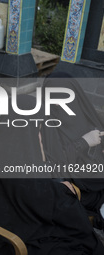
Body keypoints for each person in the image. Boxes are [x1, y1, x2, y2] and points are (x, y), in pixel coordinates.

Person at [0, 94, 104, 254]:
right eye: (38, 129)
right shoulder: (16, 154)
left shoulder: (1, 138)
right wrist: (63, 190)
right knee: (75, 229)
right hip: (9, 231)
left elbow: (29, 188)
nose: (40, 135)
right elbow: (34, 196)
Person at [42, 72, 104, 229]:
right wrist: (84, 142)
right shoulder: (46, 122)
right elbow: (54, 163)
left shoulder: (82, 111)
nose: (57, 103)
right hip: (78, 184)